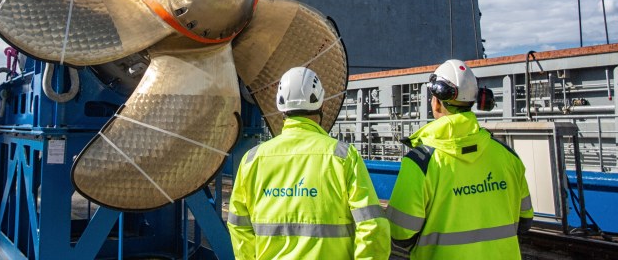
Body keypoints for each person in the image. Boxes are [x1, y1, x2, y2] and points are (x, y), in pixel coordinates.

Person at [227, 67, 391, 259]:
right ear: (321, 105)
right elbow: (372, 225)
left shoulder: (252, 160)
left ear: (282, 109)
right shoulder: (343, 157)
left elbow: (239, 226)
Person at [386, 59, 533, 259]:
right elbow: (525, 221)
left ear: (436, 102)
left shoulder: (421, 162)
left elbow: (400, 232)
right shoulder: (508, 156)